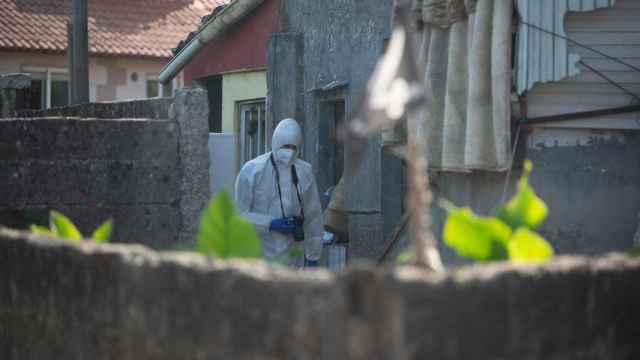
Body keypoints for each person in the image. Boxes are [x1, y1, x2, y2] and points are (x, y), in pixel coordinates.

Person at [234, 118, 323, 267]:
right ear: (275, 143)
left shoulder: (304, 171)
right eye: (285, 146)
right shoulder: (252, 171)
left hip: (293, 255)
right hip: (259, 253)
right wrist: (269, 223)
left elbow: (313, 215)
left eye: (293, 147)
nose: (289, 151)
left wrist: (313, 256)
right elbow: (239, 215)